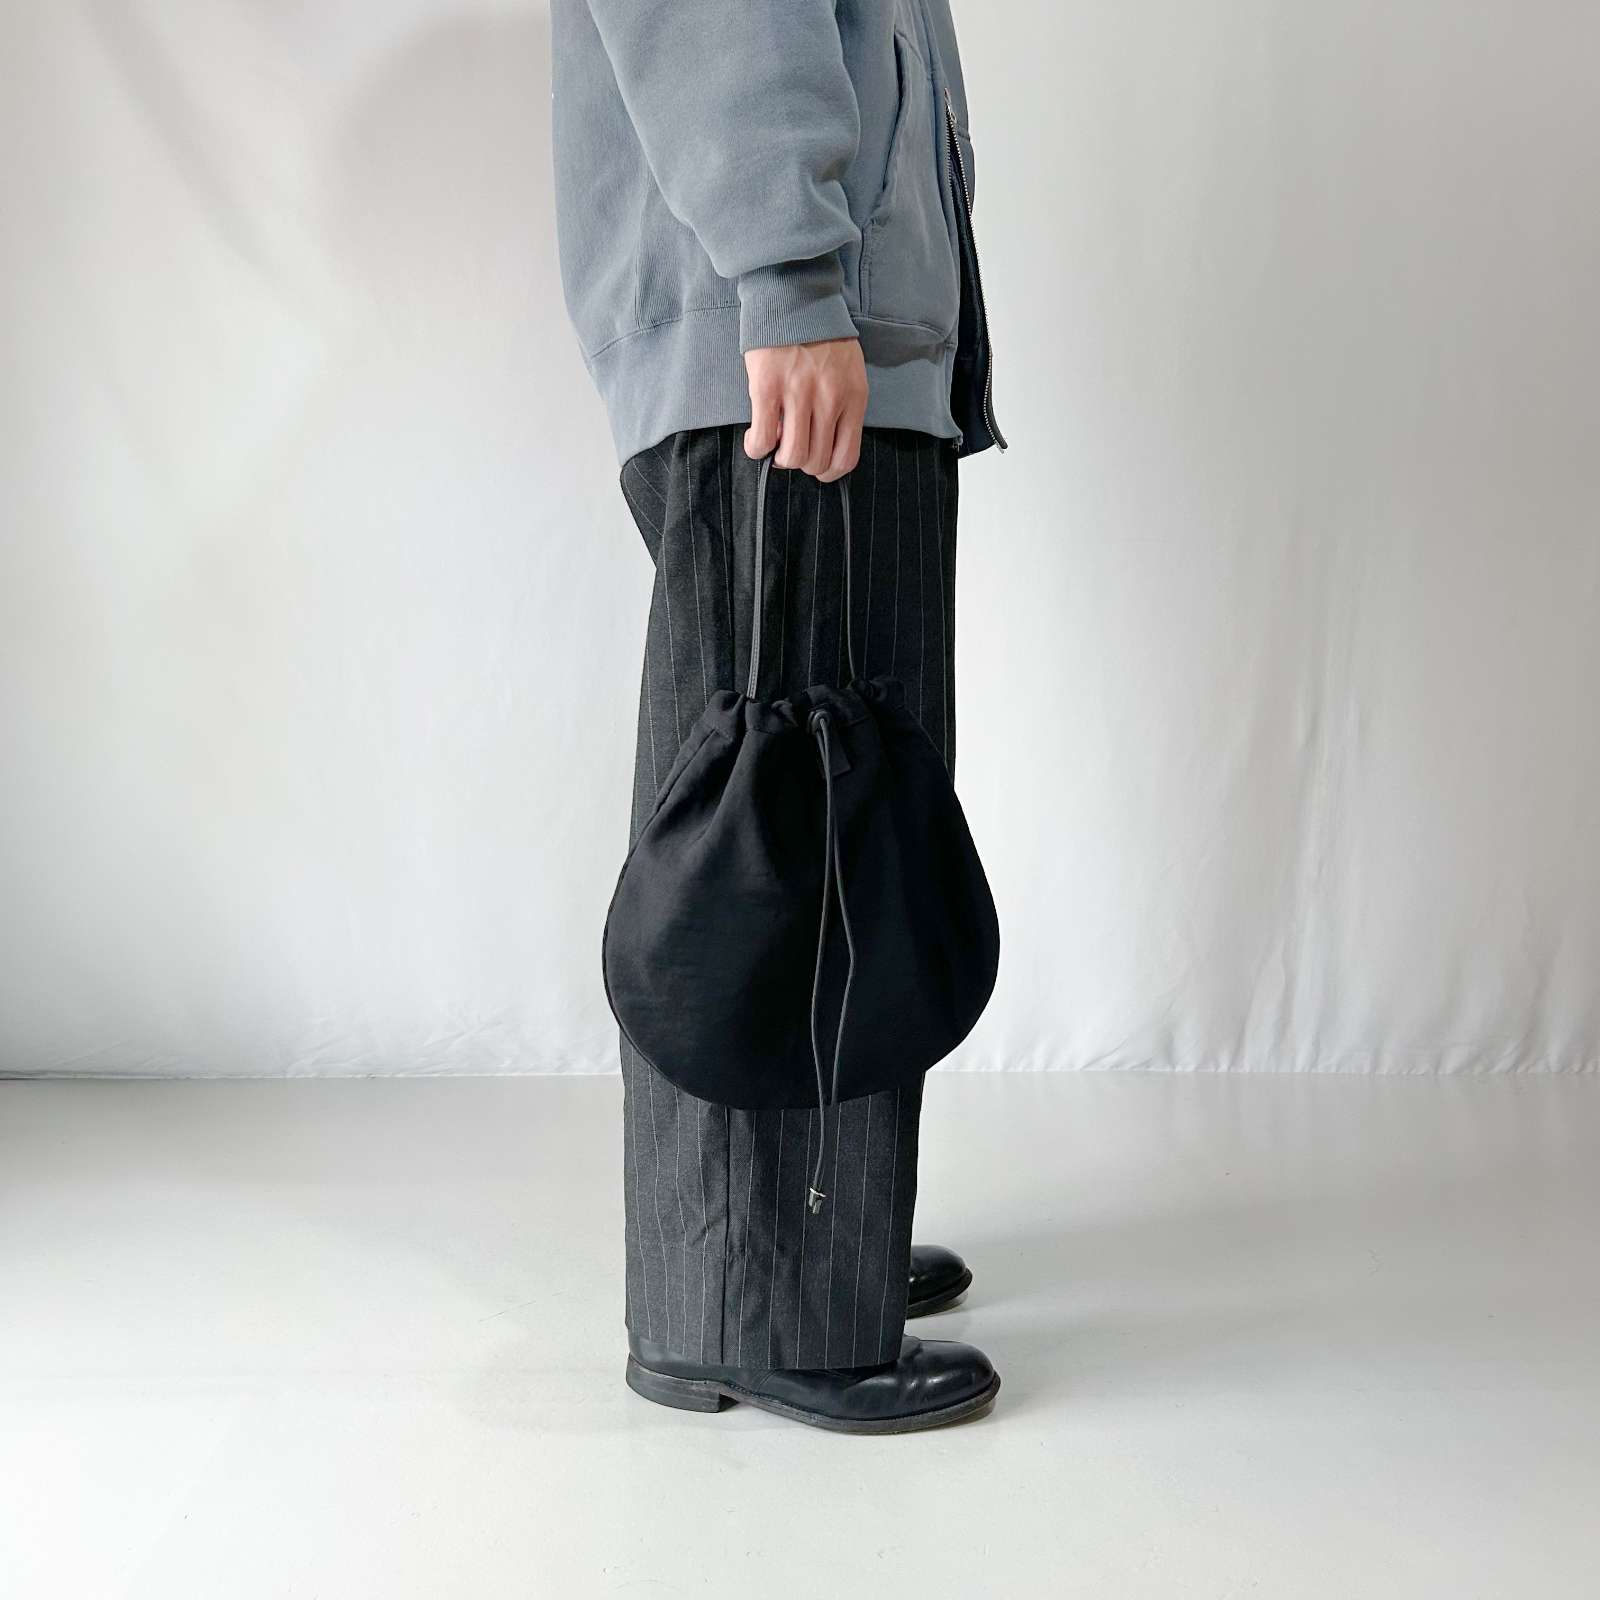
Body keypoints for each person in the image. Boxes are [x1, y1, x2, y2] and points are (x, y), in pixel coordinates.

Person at [551, 0, 1007, 1433]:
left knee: (816, 814)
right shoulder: (788, 292)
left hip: (823, 317)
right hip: (785, 329)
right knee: (797, 818)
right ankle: (769, 1300)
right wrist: (793, 276)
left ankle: (784, 1253)